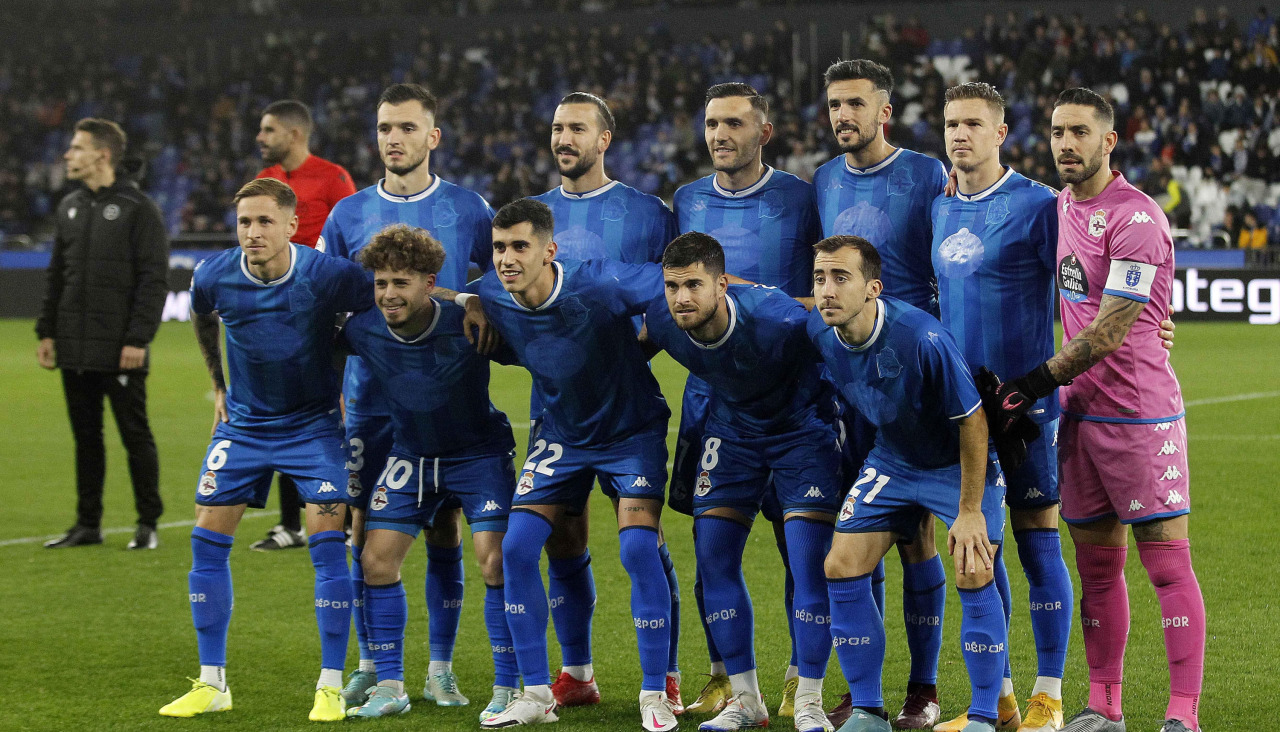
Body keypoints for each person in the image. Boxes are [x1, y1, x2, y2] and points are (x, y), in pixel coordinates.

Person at [988, 88, 1204, 732]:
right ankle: (1104, 706)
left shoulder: (1137, 220)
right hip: (1081, 417)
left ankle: (1181, 715)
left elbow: (1109, 331)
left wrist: (1031, 382)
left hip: (1140, 416)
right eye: (1057, 132)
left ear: (1109, 141)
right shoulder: (1060, 208)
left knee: (1165, 563)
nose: (1065, 144)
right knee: (1097, 567)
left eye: (1079, 132)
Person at [159, 178, 371, 721]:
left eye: (264, 221)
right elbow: (204, 319)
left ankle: (328, 685)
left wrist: (349, 379)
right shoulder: (213, 274)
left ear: (292, 226)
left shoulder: (329, 276)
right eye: (245, 222)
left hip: (314, 428)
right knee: (206, 543)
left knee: (327, 547)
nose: (253, 232)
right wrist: (219, 386)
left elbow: (382, 306)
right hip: (245, 429)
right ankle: (212, 683)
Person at [317, 82, 499, 715]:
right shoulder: (346, 214)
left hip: (448, 399)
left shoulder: (470, 208)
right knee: (365, 532)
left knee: (446, 526)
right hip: (369, 397)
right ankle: (374, 665)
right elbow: (327, 305)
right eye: (385, 129)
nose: (394, 139)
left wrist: (473, 300)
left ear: (432, 136)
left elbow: (493, 283)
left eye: (406, 128)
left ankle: (440, 669)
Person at [476, 198, 676, 731]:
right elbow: (466, 293)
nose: (507, 258)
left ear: (550, 250)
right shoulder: (493, 292)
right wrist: (467, 301)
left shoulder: (601, 283)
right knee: (515, 549)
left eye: (521, 246)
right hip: (563, 436)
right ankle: (538, 693)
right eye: (500, 247)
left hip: (631, 431)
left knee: (637, 547)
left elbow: (678, 281)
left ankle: (656, 692)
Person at [810, 235, 1008, 732]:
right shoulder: (820, 332)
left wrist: (969, 511)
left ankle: (985, 716)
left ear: (873, 288)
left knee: (972, 565)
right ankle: (868, 711)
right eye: (819, 279)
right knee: (840, 564)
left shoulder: (921, 337)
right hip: (893, 461)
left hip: (954, 466)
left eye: (840, 278)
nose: (826, 291)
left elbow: (973, 421)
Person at [643, 232, 840, 732]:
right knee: (713, 559)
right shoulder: (664, 322)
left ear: (722, 284)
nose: (681, 297)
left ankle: (810, 699)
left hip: (801, 430)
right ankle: (746, 699)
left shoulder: (779, 320)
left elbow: (842, 346)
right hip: (732, 432)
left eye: (693, 285)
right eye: (672, 285)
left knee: (807, 561)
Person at [671, 82, 822, 720]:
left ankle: (799, 678)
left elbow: (828, 281)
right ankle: (726, 679)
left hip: (792, 396)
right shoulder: (684, 200)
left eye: (733, 123)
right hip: (712, 401)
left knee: (803, 549)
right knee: (713, 548)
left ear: (764, 132)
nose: (719, 135)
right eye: (710, 123)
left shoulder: (800, 197)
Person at [529, 91, 683, 712]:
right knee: (562, 537)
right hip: (557, 409)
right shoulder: (531, 215)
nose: (565, 139)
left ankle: (665, 674)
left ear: (604, 140)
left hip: (625, 409)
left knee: (643, 539)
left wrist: (617, 350)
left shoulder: (649, 214)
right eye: (558, 128)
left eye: (577, 129)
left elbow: (669, 301)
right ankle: (578, 673)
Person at [811, 60, 951, 730]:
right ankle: (860, 690)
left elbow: (953, 262)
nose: (844, 116)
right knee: (856, 531)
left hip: (914, 379)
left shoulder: (927, 174)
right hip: (851, 384)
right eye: (835, 105)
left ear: (884, 111)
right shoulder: (824, 179)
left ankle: (923, 690)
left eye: (856, 105)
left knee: (919, 534)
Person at [930, 82, 1073, 732]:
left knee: (1038, 543)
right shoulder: (939, 208)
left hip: (1028, 411)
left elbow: (1081, 295)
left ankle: (1049, 694)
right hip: (964, 413)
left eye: (972, 124)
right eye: (951, 123)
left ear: (1001, 133)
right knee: (976, 550)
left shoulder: (1039, 205)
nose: (959, 134)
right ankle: (1003, 698)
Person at [335, 224, 518, 719]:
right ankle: (390, 686)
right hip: (411, 457)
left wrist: (470, 298)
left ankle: (508, 687)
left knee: (495, 562)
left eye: (401, 282)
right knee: (375, 561)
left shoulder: (468, 321)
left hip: (478, 455)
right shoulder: (363, 328)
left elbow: (530, 335)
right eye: (381, 283)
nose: (389, 294)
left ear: (429, 283)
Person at [36, 118, 168, 551]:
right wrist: (47, 331)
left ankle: (148, 523)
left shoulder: (138, 208)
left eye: (76, 148)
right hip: (74, 344)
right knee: (86, 438)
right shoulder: (70, 206)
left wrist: (137, 339)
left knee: (135, 435)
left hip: (120, 348)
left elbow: (153, 279)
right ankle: (87, 524)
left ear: (103, 155)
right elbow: (58, 274)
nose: (68, 155)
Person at [250, 98, 358, 552]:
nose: (260, 137)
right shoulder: (265, 182)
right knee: (279, 411)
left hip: (322, 316)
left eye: (268, 130)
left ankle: (347, 513)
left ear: (295, 134)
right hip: (274, 317)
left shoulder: (333, 179)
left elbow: (353, 240)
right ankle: (290, 523)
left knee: (331, 414)